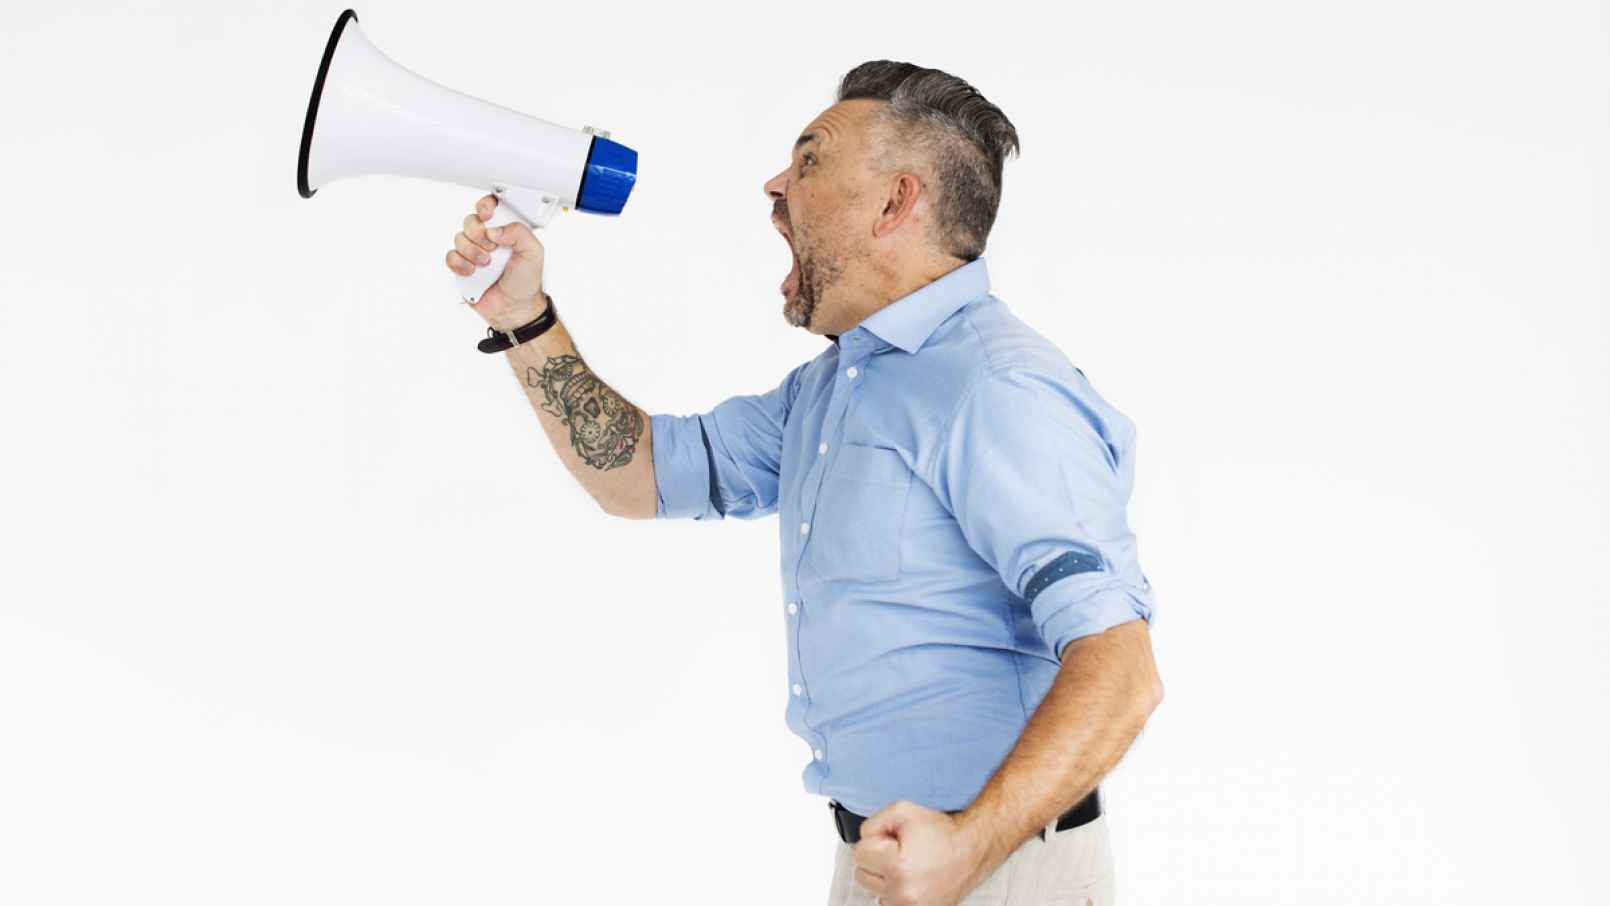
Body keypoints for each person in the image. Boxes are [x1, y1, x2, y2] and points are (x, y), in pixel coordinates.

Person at [445, 60, 1163, 906]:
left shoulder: (998, 388)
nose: (775, 186)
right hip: (892, 862)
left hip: (1001, 871)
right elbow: (636, 475)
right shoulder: (833, 390)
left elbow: (1121, 669)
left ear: (897, 202)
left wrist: (969, 850)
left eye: (811, 160)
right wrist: (524, 316)